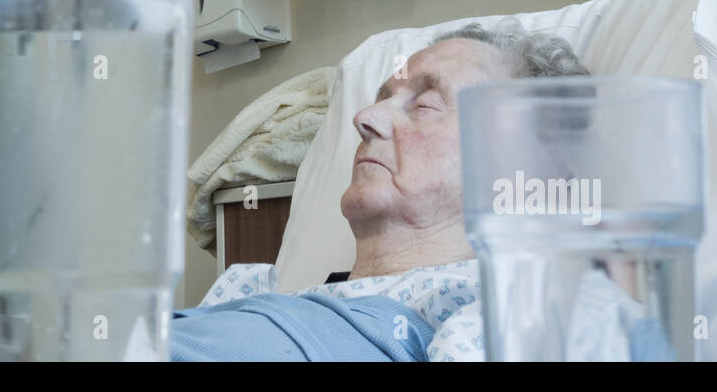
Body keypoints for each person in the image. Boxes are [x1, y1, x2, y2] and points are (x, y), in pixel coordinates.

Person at [171, 20, 589, 362]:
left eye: (424, 104)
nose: (365, 117)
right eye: (382, 99)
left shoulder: (508, 322)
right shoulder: (261, 298)